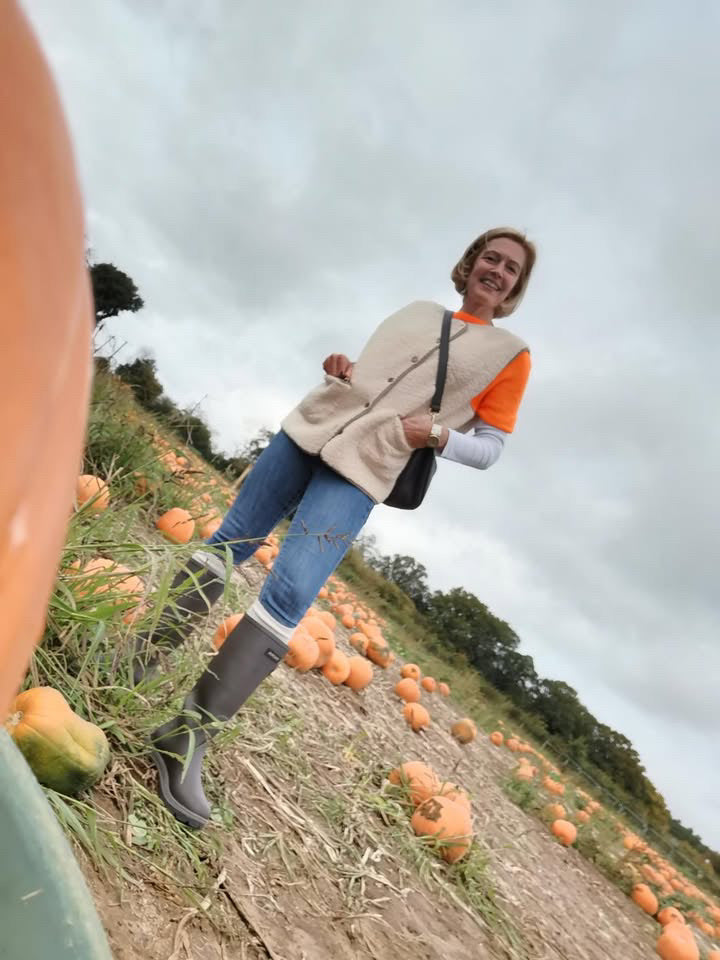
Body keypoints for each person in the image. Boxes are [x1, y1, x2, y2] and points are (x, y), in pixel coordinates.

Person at [137, 226, 536, 829]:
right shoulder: (416, 313)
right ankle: (137, 659)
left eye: (510, 269)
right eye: (490, 258)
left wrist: (434, 435)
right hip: (312, 428)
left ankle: (185, 737)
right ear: (470, 263)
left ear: (515, 288)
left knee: (293, 591)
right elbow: (372, 378)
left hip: (368, 466)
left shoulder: (510, 355)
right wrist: (342, 368)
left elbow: (490, 449)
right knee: (229, 543)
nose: (497, 271)